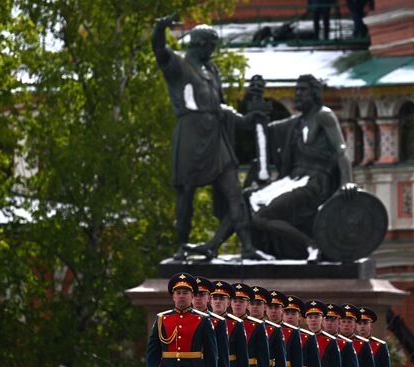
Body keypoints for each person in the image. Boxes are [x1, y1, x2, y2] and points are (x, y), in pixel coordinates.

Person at [151, 16, 266, 260]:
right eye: (211, 45)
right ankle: (181, 245)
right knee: (186, 194)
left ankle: (247, 245)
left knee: (233, 190)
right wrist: (161, 27)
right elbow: (159, 50)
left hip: (216, 136)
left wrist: (244, 119)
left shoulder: (211, 70)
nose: (213, 50)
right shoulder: (178, 66)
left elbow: (220, 106)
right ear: (201, 44)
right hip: (191, 136)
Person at [250, 74, 356, 262]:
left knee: (262, 217)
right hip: (293, 180)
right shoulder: (297, 122)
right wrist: (257, 110)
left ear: (314, 93)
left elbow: (340, 150)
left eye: (302, 90)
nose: (297, 95)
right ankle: (249, 249)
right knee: (248, 199)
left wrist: (347, 182)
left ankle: (311, 244)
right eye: (296, 90)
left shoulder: (324, 115)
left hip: (315, 182)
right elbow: (268, 130)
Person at [146, 273, 218, 367]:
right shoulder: (161, 318)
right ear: (173, 296)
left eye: (185, 293)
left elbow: (211, 354)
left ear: (192, 296)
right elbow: (153, 353)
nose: (181, 296)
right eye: (178, 293)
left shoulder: (203, 319)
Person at [231, 283, 271, 367]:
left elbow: (263, 357)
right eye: (235, 301)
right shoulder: (224, 322)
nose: (238, 304)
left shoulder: (256, 325)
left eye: (241, 301)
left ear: (246, 304)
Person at [211, 281, 250, 367]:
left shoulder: (236, 323)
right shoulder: (203, 320)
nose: (218, 301)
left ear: (228, 303)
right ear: (210, 302)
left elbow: (242, 355)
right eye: (215, 298)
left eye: (221, 299)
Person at [194, 276, 230, 367]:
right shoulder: (181, 318)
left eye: (202, 294)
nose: (198, 298)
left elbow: (222, 355)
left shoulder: (217, 321)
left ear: (209, 298)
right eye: (195, 294)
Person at [249, 287, 287, 367]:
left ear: (265, 307)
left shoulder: (274, 329)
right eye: (252, 303)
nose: (255, 306)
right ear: (247, 305)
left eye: (258, 304)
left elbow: (280, 359)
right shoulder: (239, 326)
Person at [268, 291, 303, 367]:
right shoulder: (261, 328)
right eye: (270, 307)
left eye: (293, 313)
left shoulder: (292, 332)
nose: (290, 317)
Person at [284, 296, 321, 367]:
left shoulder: (308, 337)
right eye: (287, 313)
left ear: (300, 317)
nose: (290, 317)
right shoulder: (278, 333)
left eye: (293, 314)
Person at [304, 300, 343, 367]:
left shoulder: (331, 340)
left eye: (316, 317)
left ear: (322, 319)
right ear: (306, 320)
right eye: (310, 317)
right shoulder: (300, 338)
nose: (313, 320)